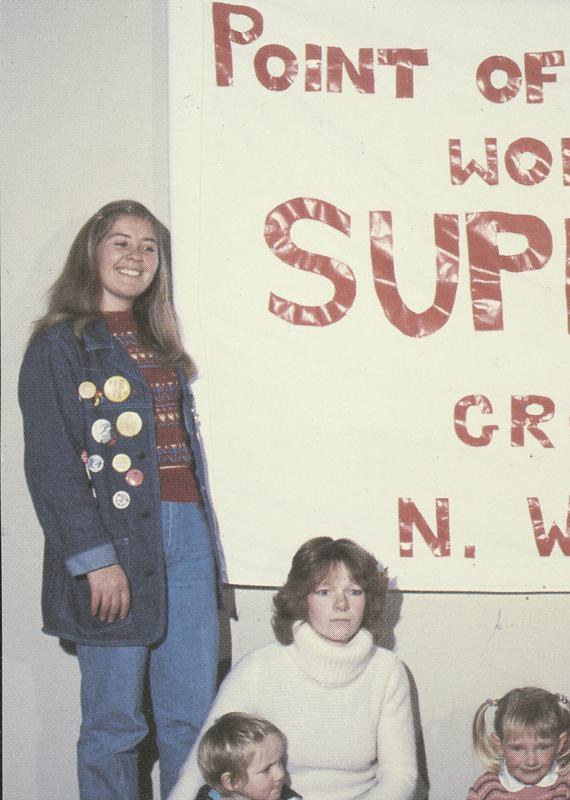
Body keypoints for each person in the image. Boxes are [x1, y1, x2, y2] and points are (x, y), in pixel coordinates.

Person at [18, 200, 224, 799]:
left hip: (187, 536)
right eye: (121, 242)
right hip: (114, 544)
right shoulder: (60, 344)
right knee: (115, 724)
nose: (136, 256)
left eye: (148, 246)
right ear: (92, 252)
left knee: (194, 719)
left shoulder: (163, 344)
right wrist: (94, 558)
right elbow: (52, 464)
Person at [168, 538, 418, 800]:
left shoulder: (387, 670)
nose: (341, 604)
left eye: (354, 591)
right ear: (302, 599)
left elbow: (400, 776)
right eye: (325, 592)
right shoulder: (258, 668)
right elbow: (201, 766)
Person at [469, 687, 570, 800]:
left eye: (542, 747)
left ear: (559, 744)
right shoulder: (486, 789)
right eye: (518, 748)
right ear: (499, 745)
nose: (531, 761)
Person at [194, 712, 299, 800]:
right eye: (266, 769)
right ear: (232, 782)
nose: (280, 774)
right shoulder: (207, 797)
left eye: (280, 761)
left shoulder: (283, 794)